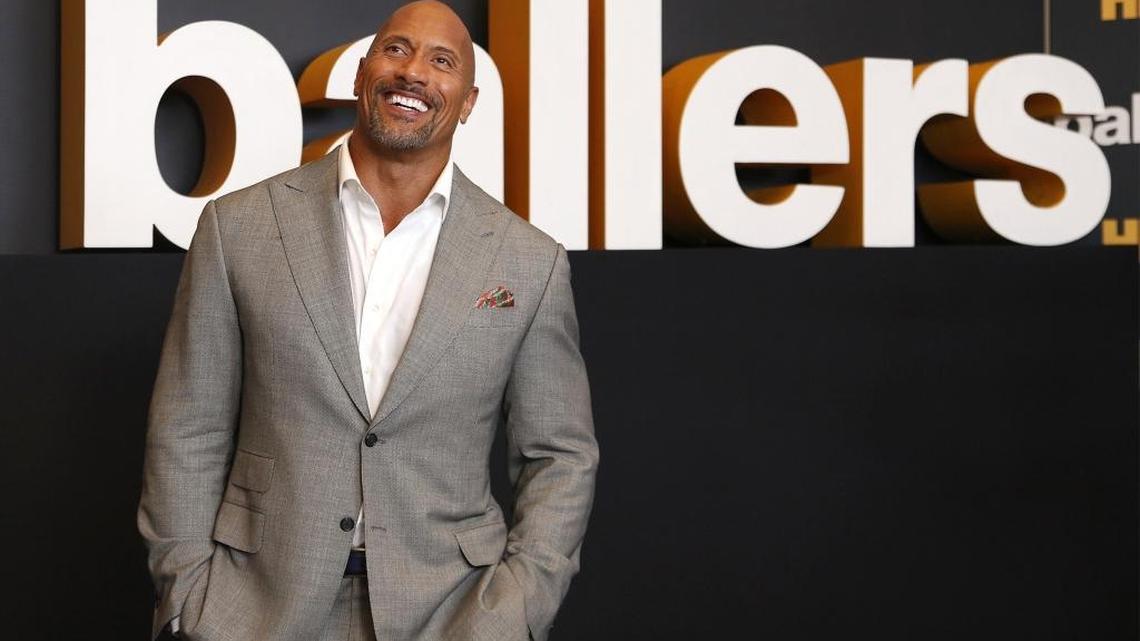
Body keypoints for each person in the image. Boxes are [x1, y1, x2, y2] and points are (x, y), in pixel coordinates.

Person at [137, 2, 599, 640]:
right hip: (255, 607)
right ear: (360, 74)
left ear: (467, 102)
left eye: (442, 62)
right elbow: (186, 426)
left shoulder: (528, 261)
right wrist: (189, 591)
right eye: (396, 50)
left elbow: (560, 455)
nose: (414, 73)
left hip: (454, 611)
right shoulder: (238, 227)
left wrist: (516, 610)